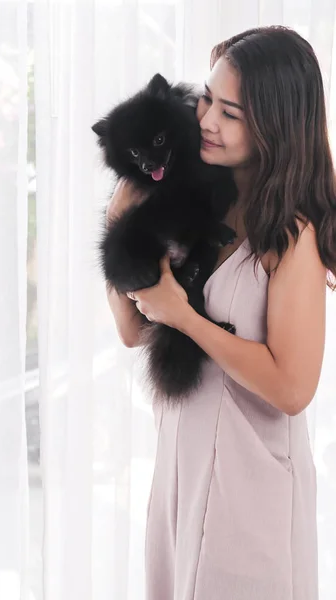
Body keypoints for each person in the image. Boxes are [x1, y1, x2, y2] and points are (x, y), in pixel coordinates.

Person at [106, 26, 336, 600]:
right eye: (207, 98)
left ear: (274, 124)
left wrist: (184, 317)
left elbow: (292, 388)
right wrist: (119, 215)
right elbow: (133, 330)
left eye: (230, 113)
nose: (206, 120)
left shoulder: (292, 235)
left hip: (251, 496)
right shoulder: (197, 204)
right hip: (181, 474)